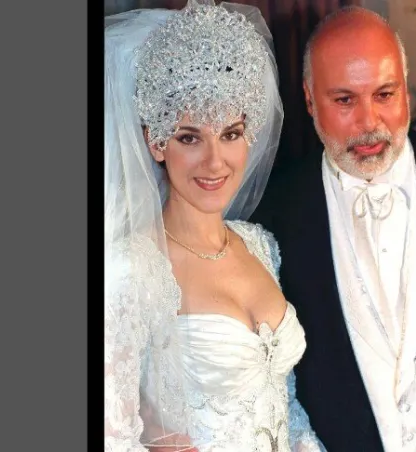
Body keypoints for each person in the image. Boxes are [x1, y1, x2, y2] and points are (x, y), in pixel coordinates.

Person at [104, 1, 325, 451]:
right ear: (156, 142)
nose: (214, 162)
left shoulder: (260, 246)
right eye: (190, 137)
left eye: (230, 134)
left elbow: (286, 407)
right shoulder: (130, 269)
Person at [251, 6, 416, 452]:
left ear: (405, 86)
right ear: (310, 99)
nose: (369, 123)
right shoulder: (271, 215)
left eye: (385, 94)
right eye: (345, 100)